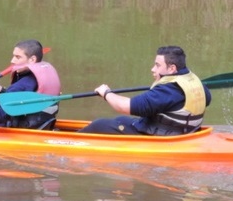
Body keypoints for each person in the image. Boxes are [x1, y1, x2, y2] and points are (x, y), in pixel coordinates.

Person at [79, 46, 210, 135]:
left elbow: (124, 106)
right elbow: (207, 99)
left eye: (158, 65)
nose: (153, 69)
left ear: (171, 69)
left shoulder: (166, 92)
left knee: (99, 124)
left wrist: (106, 93)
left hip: (161, 138)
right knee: (121, 120)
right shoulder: (196, 82)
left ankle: (70, 140)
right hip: (187, 133)